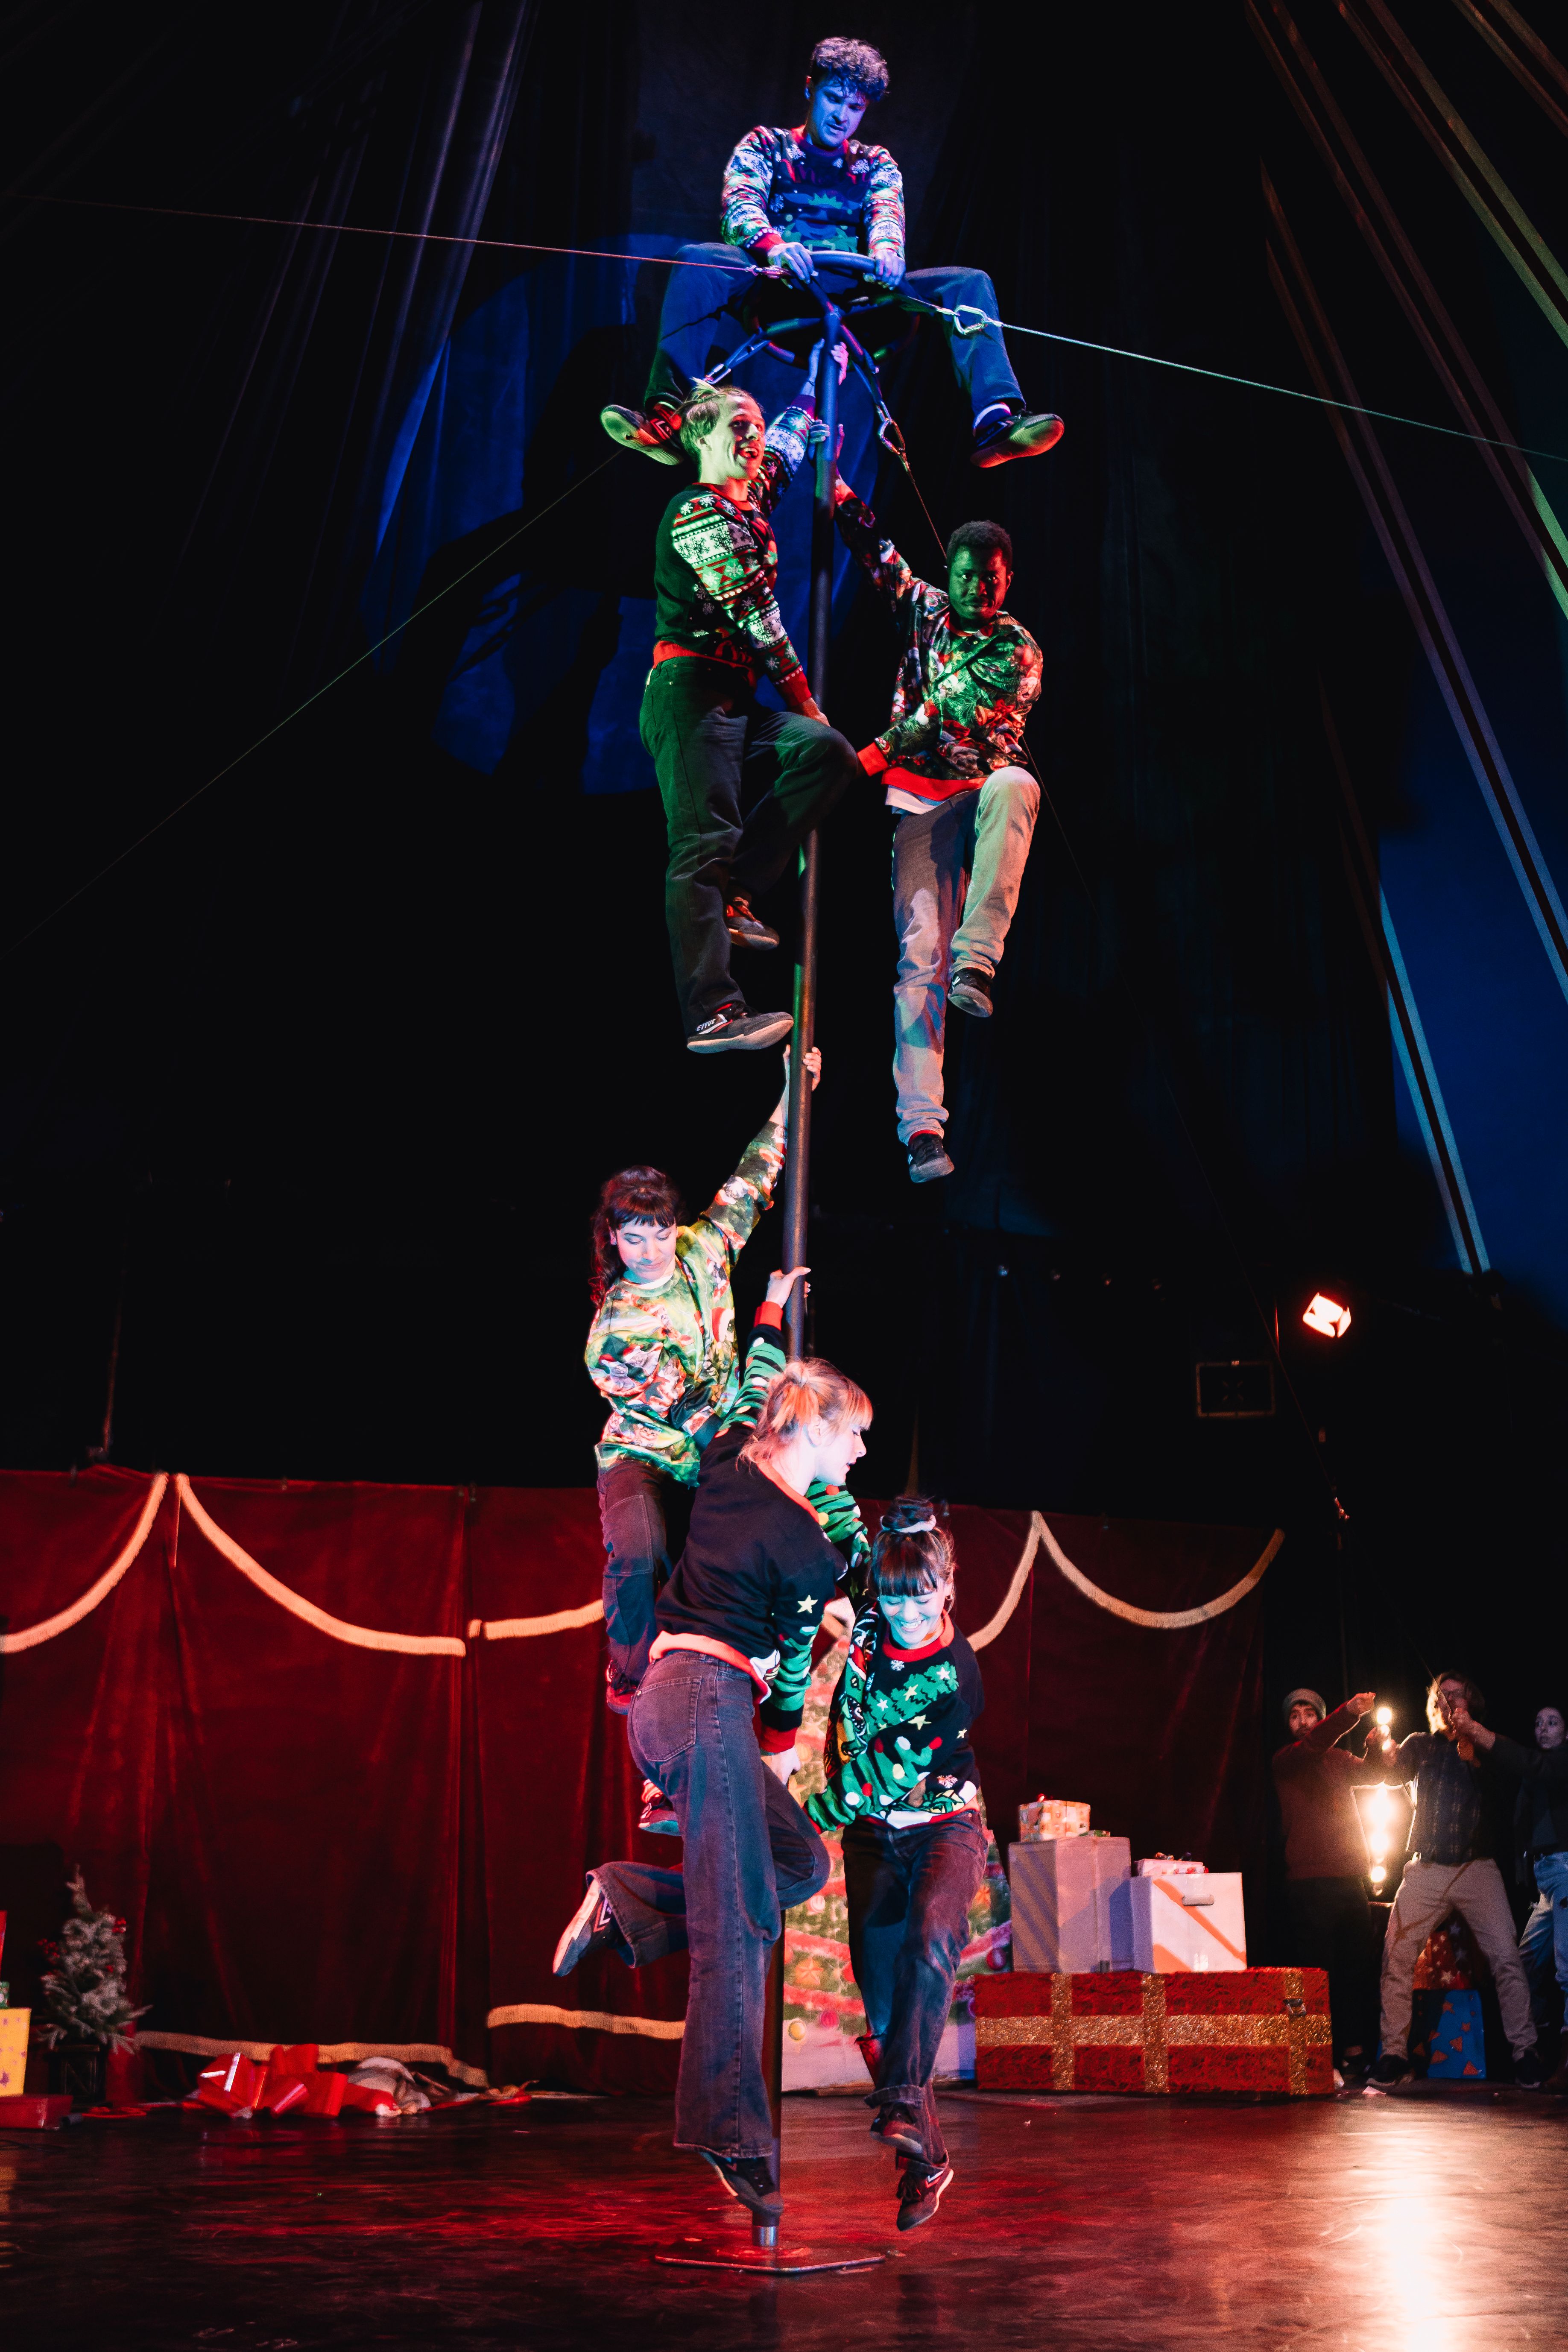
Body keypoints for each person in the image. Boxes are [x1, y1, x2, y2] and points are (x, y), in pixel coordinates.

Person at [551, 1343, 873, 2220]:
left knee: (798, 1864)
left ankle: (626, 1899)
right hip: (706, 1701)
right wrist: (779, 1752)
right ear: (814, 1428)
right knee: (738, 1922)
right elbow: (793, 1674)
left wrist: (771, 1308)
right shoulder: (806, 1550)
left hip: (674, 1702)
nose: (860, 1452)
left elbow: (752, 1378)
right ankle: (729, 2130)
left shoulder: (730, 1460)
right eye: (854, 1434)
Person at [603, 37, 1063, 473]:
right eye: (834, 99)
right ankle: (669, 416)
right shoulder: (766, 145)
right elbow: (740, 206)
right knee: (699, 257)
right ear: (811, 88)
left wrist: (888, 252)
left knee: (968, 282)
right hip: (780, 289)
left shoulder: (874, 162)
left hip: (858, 301)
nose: (842, 115)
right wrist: (776, 247)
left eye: (855, 107)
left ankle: (995, 420)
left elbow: (886, 214)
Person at [585, 1047, 821, 1718]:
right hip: (649, 1455)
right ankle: (632, 1675)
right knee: (642, 1552)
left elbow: (756, 1175)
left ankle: (732, 1689)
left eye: (659, 1234)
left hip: (714, 1449)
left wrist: (794, 1090)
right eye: (634, 1239)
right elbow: (686, 1411)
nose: (651, 1252)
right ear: (614, 1239)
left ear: (674, 1227)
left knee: (725, 1571)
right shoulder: (616, 1329)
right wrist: (748, 1461)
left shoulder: (703, 1249)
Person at [643, 355, 862, 1051]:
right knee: (701, 840)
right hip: (688, 692)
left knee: (828, 756)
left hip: (733, 700)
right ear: (701, 437)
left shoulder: (751, 495)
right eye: (739, 425)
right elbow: (756, 618)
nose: (755, 435)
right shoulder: (697, 512)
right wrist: (805, 699)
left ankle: (736, 889)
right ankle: (712, 1010)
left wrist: (822, 372)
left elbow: (790, 442)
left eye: (757, 426)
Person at [832, 484, 1042, 1181]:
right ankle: (922, 1128)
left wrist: (866, 757)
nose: (979, 588)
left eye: (992, 578)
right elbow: (876, 553)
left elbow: (942, 713)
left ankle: (976, 959)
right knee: (920, 954)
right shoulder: (923, 609)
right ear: (949, 574)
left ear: (1007, 580)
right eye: (967, 575)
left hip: (980, 792)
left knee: (1019, 785)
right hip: (920, 805)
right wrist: (840, 491)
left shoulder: (1017, 650)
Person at [806, 1497, 986, 2233]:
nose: (906, 1614)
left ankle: (905, 2105)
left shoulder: (954, 1677)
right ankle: (927, 2158)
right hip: (873, 1838)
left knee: (931, 1936)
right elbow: (834, 1516)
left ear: (947, 1588)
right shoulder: (873, 1608)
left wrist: (804, 1820)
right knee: (885, 2011)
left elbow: (878, 1777)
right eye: (892, 1598)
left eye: (922, 1597)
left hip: (944, 1825)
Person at [1365, 1671, 1545, 2090]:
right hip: (1426, 1868)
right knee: (1396, 1956)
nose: (1447, 1702)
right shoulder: (1421, 1744)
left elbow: (1506, 1788)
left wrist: (1474, 1742)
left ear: (1470, 1702)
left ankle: (1525, 2053)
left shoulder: (1487, 1745)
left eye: (1456, 1695)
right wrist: (1379, 1749)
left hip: (1476, 1869)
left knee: (1507, 1958)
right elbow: (1389, 1772)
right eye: (1440, 1696)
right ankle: (1393, 2053)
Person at [1450, 1697, 1568, 2091]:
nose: (1544, 1729)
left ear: (1566, 1732)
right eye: (1539, 1723)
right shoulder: (1537, 1773)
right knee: (1525, 1964)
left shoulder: (1559, 1764)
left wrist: (1481, 1735)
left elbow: (1529, 1763)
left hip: (1566, 1872)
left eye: (1553, 1723)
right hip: (1546, 1881)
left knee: (1567, 1967)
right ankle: (1541, 2045)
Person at [1271, 1688, 1382, 2083]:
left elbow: (1375, 1775)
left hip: (1350, 1878)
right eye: (1295, 1715)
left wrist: (1376, 1747)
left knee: (1355, 1969)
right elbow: (1315, 1744)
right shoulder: (1288, 1759)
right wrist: (1348, 1713)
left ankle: (1354, 2053)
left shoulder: (1338, 1758)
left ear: (1319, 1717)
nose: (1303, 1722)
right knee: (1318, 1975)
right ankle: (1321, 2058)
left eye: (1309, 1714)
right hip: (1310, 1884)